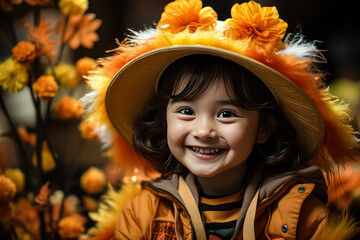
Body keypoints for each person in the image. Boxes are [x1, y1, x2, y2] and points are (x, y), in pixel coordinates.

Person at [84, 0, 359, 239]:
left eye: (226, 114)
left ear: (264, 127)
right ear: (163, 119)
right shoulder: (143, 213)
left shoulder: (300, 213)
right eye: (186, 111)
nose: (204, 131)